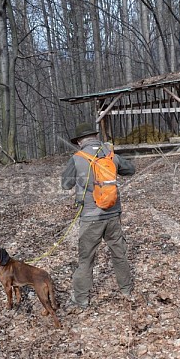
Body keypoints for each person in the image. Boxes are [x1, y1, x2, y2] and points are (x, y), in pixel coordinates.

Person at [61, 122, 135, 308]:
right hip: (113, 215)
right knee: (119, 254)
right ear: (95, 136)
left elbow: (65, 184)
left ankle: (81, 300)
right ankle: (126, 291)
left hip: (90, 218)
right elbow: (130, 170)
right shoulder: (110, 154)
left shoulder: (77, 158)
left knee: (86, 260)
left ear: (79, 141)